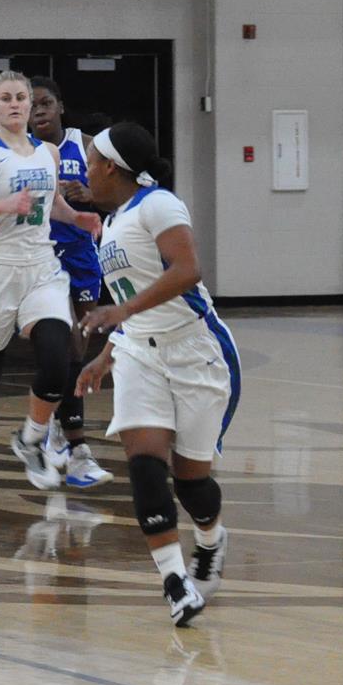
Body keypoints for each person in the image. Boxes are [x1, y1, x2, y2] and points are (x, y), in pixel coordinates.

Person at [75, 121, 238, 627]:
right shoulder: (116, 219)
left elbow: (187, 272)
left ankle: (211, 539)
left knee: (192, 486)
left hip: (197, 350)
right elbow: (131, 301)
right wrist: (109, 353)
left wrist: (118, 317)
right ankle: (175, 584)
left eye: (89, 160)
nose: (84, 171)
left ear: (109, 166)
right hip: (140, 355)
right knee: (145, 466)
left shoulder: (158, 204)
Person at [0, 70, 101, 502]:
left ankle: (31, 438)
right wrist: (2, 204)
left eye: (21, 98)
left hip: (41, 267)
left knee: (57, 358)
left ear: (32, 105)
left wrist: (78, 217)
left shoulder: (48, 152)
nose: (15, 104)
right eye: (6, 98)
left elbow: (55, 206)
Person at [28, 76, 114, 489]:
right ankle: (72, 442)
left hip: (81, 255)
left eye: (45, 103)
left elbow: (124, 190)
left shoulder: (90, 144)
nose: (38, 112)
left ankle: (60, 431)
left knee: (80, 341)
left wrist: (90, 194)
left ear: (60, 106)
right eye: (31, 106)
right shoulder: (19, 153)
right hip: (39, 258)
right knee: (63, 346)